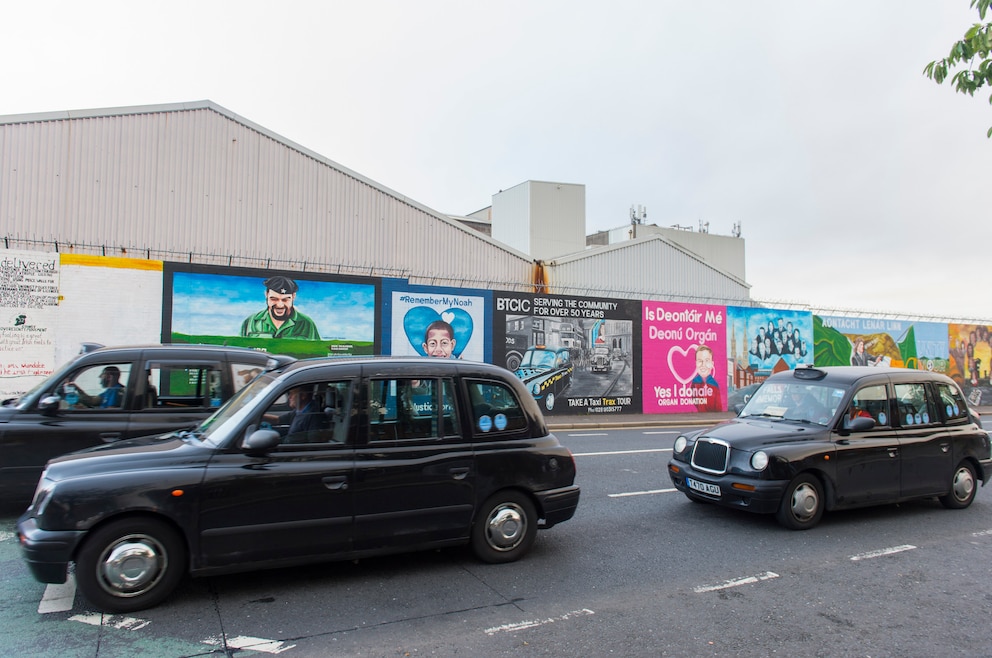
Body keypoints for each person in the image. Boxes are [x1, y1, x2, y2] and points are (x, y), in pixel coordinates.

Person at [240, 275, 320, 340]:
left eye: (285, 300)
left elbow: (318, 354)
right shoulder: (251, 322)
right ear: (266, 295)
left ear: (293, 296)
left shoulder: (306, 323)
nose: (280, 305)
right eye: (274, 299)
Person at [691, 345, 722, 412]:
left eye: (707, 361)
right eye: (700, 361)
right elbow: (693, 402)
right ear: (696, 363)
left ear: (712, 364)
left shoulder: (714, 385)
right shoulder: (694, 383)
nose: (703, 364)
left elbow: (718, 408)